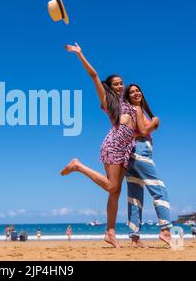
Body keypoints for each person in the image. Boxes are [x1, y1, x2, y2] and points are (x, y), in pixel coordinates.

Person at [61, 43, 139, 248]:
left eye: (122, 83)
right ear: (110, 87)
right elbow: (94, 75)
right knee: (112, 186)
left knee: (115, 192)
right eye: (116, 84)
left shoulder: (128, 105)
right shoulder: (108, 102)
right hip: (112, 147)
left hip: (125, 151)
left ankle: (110, 233)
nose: (120, 86)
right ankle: (78, 165)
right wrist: (80, 54)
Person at [123, 84, 173, 248]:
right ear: (128, 97)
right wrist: (155, 123)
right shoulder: (136, 109)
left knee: (135, 197)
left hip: (131, 155)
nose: (136, 93)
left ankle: (135, 239)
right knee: (159, 190)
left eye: (138, 91)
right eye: (132, 92)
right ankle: (165, 230)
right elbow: (143, 131)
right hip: (140, 152)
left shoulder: (130, 110)